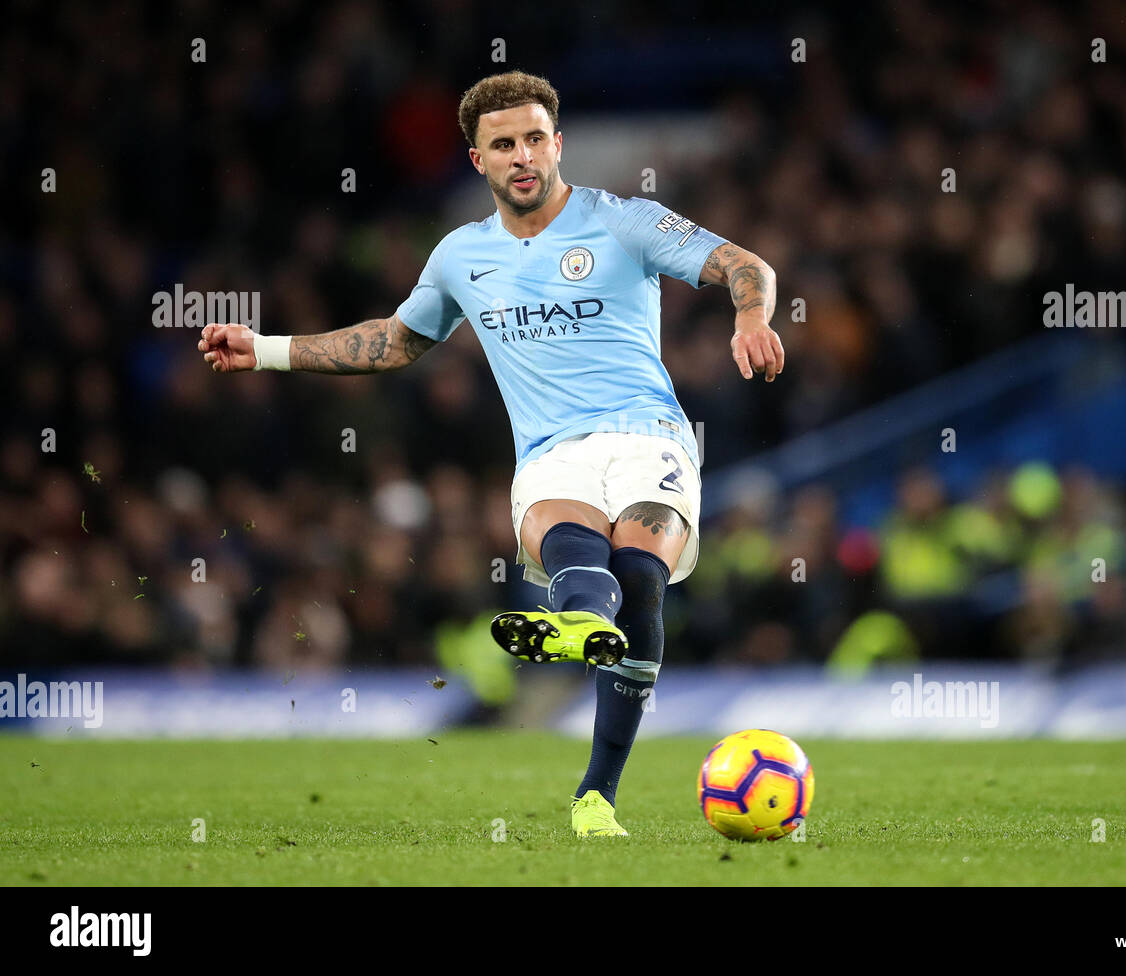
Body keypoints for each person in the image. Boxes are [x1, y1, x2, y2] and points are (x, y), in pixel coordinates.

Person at [198, 70, 783, 837]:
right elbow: (393, 342)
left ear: (558, 144)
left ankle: (595, 784)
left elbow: (748, 265)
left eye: (535, 138)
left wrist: (750, 318)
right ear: (477, 160)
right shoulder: (459, 256)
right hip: (550, 452)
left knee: (639, 575)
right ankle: (580, 639)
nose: (522, 156)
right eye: (503, 144)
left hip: (649, 435)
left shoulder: (624, 221)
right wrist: (267, 350)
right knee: (584, 553)